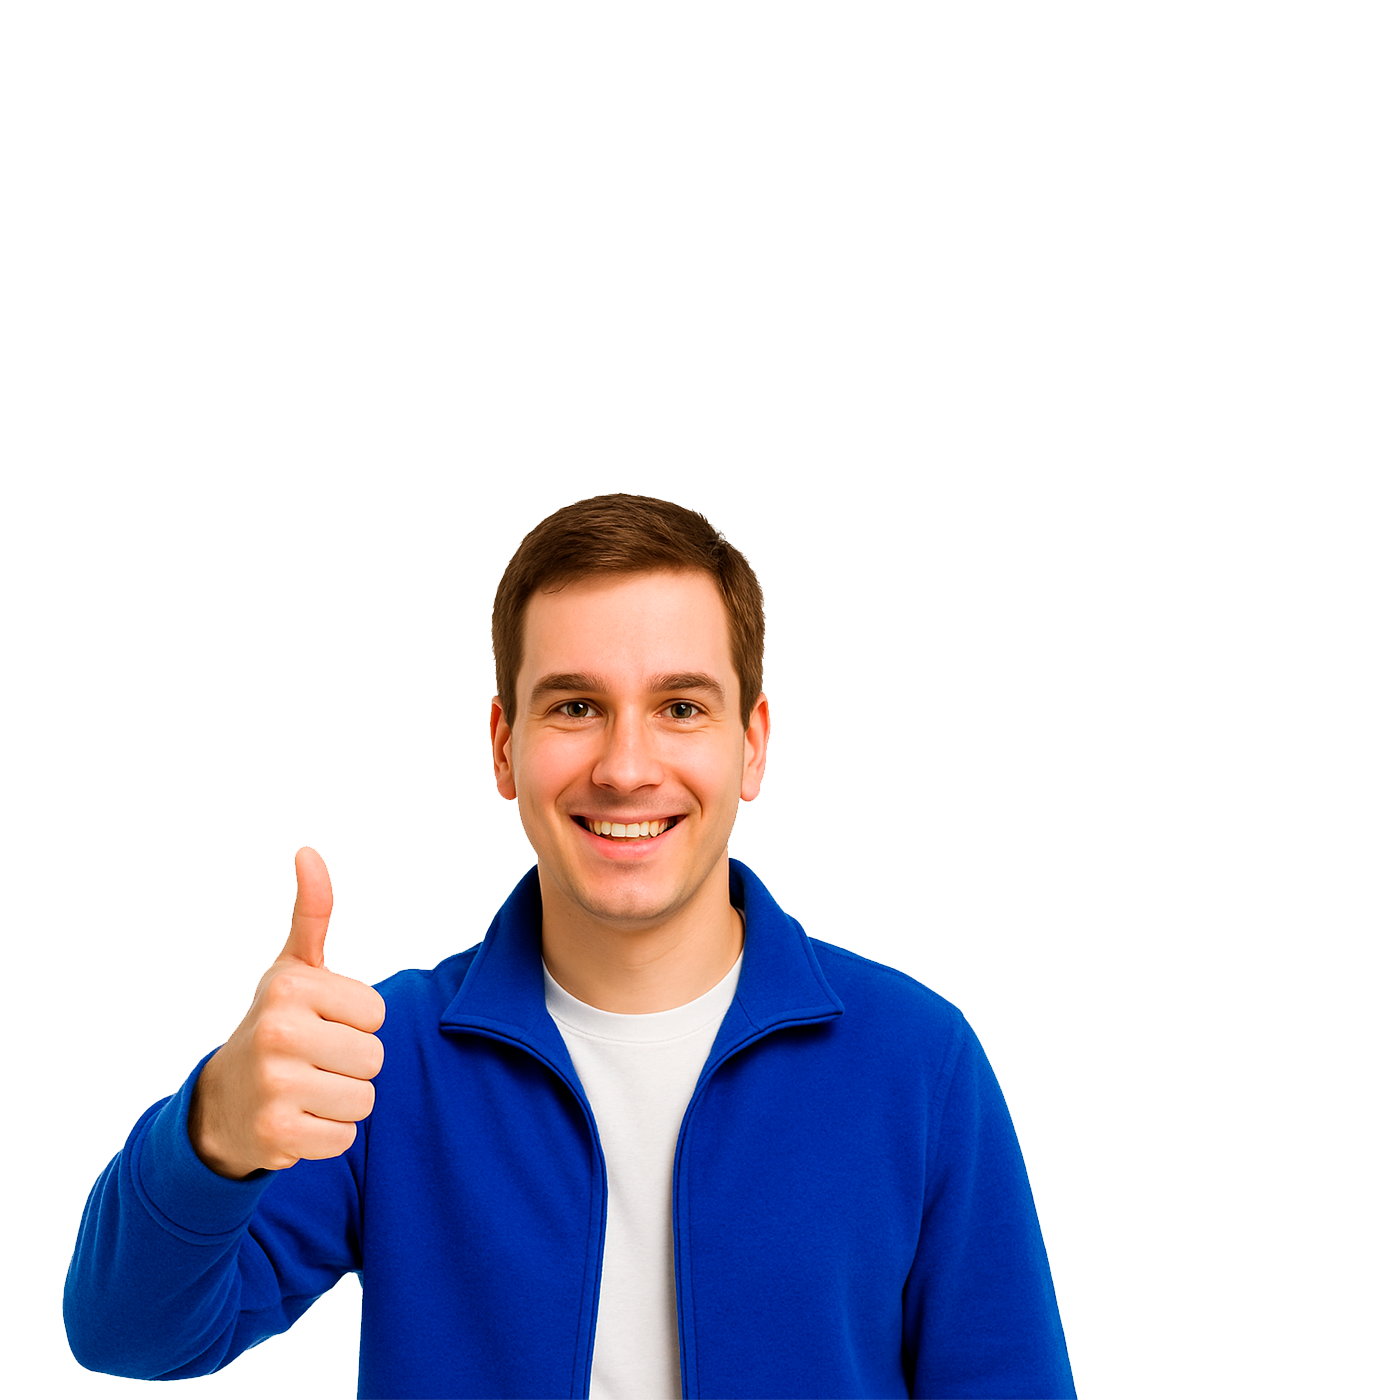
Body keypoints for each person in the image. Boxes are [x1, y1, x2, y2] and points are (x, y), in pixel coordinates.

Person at [65, 493, 1077, 1399]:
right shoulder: (386, 1056)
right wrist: (213, 1132)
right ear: (503, 744)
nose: (626, 765)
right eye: (576, 706)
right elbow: (127, 1334)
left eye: (680, 707)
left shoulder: (917, 1059)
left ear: (752, 743)